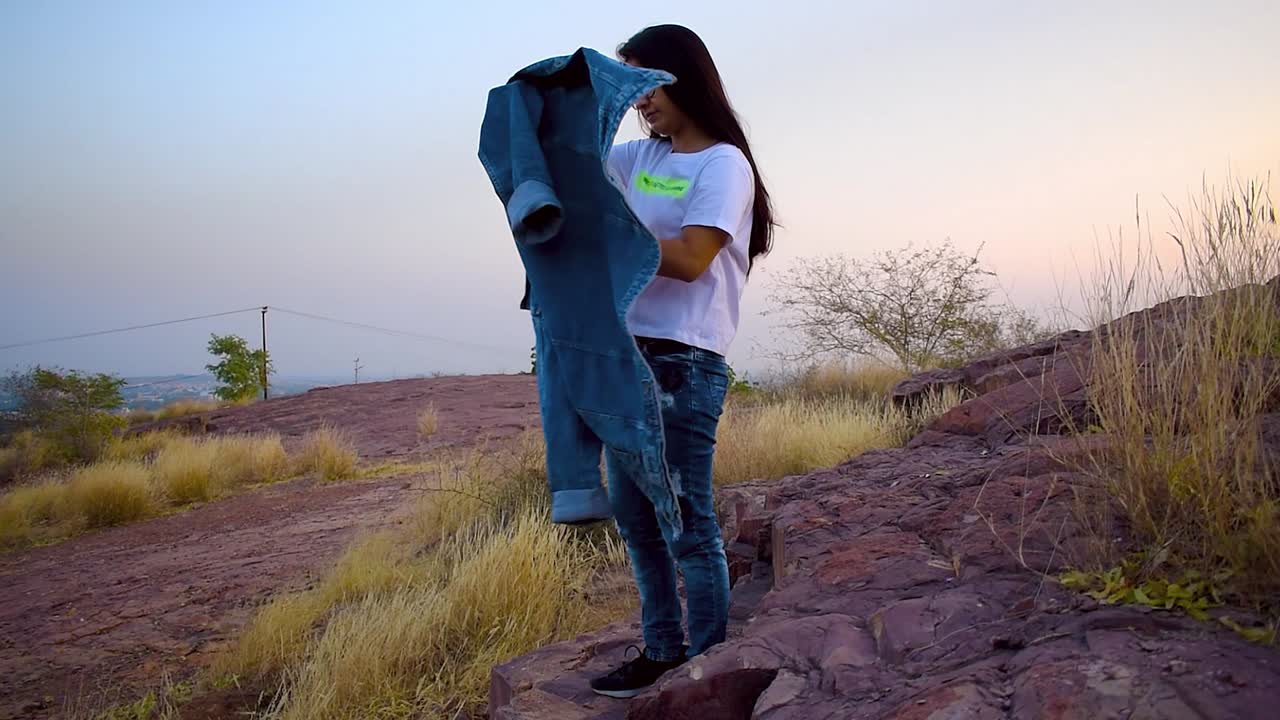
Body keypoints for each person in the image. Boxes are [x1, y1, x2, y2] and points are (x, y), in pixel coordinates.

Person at [589, 24, 776, 699]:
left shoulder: (722, 165)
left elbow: (694, 258)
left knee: (687, 525)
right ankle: (663, 652)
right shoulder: (639, 158)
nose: (641, 100)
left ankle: (707, 673)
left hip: (682, 363)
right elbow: (572, 161)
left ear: (685, 77)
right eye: (631, 86)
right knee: (637, 522)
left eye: (648, 82)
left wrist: (613, 240)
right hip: (625, 357)